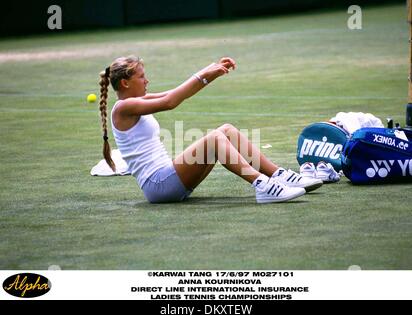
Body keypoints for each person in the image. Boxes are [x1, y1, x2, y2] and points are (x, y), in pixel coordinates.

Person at [97, 55, 322, 204]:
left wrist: (209, 71)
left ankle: (278, 175)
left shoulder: (136, 101)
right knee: (215, 138)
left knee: (226, 130)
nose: (147, 81)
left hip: (167, 180)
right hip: (158, 186)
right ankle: (262, 185)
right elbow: (171, 102)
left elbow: (172, 93)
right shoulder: (124, 107)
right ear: (125, 83)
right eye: (142, 77)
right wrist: (205, 76)